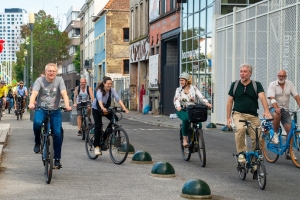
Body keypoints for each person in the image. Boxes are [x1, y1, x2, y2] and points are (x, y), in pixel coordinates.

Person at [226, 63, 272, 164]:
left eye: (245, 72)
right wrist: (228, 117)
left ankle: (254, 159)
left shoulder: (256, 85)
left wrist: (266, 111)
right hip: (238, 114)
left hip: (252, 116)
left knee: (258, 137)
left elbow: (262, 97)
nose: (242, 74)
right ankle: (241, 153)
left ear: (250, 73)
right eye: (241, 71)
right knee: (241, 129)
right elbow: (230, 101)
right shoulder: (235, 85)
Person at [28, 63, 72, 168]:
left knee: (57, 133)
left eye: (53, 71)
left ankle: (57, 159)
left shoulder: (59, 80)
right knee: (37, 122)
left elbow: (64, 93)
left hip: (55, 110)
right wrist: (31, 103)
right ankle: (37, 142)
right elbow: (34, 93)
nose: (51, 73)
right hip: (41, 109)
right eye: (49, 71)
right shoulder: (40, 81)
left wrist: (67, 105)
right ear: (46, 71)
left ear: (56, 72)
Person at [92, 76, 129, 155]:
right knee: (98, 126)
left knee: (114, 118)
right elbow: (99, 100)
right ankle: (96, 147)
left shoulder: (112, 90)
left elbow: (118, 99)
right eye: (108, 84)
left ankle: (105, 137)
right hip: (96, 109)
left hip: (106, 108)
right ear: (104, 84)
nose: (109, 85)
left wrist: (124, 108)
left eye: (111, 84)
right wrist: (102, 108)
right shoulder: (100, 91)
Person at [267, 70, 300, 158]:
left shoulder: (290, 84)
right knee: (277, 114)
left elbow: (296, 96)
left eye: (283, 76)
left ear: (286, 76)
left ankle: (289, 152)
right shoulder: (272, 84)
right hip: (273, 108)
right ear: (277, 76)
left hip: (285, 109)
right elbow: (272, 97)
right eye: (279, 75)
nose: (281, 77)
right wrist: (276, 107)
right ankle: (275, 134)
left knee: (290, 130)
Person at [173, 72, 212, 147]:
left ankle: (197, 135)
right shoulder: (178, 90)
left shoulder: (194, 88)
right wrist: (178, 106)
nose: (181, 82)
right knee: (185, 120)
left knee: (198, 122)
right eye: (180, 80)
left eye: (182, 80)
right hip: (182, 109)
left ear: (187, 81)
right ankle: (185, 139)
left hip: (192, 109)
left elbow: (201, 97)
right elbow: (176, 99)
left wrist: (207, 103)